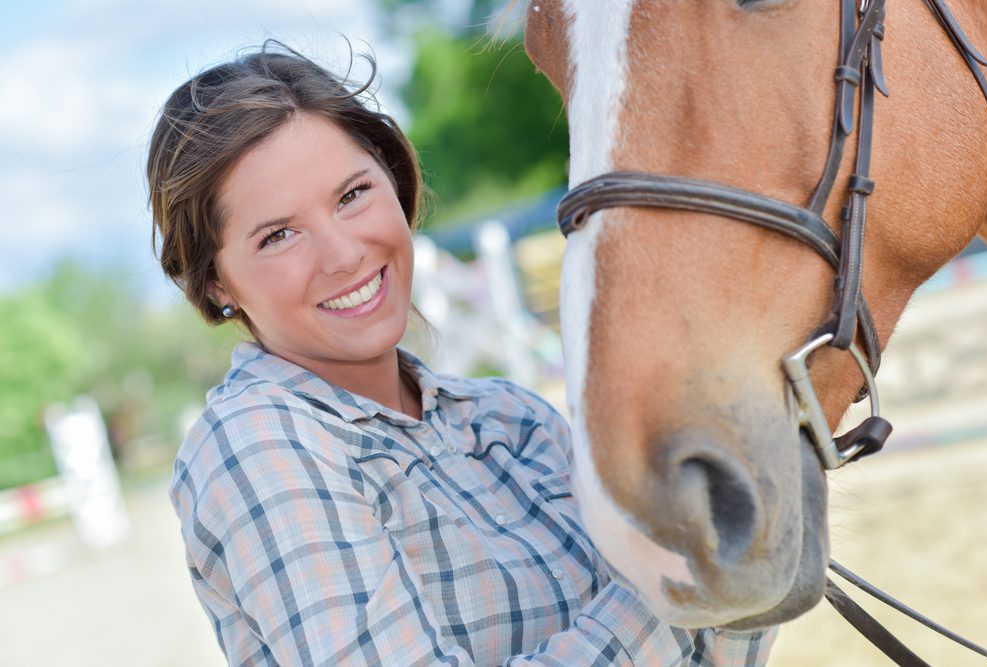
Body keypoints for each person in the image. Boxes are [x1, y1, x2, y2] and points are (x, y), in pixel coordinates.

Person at [148, 42, 777, 666]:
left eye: (351, 195)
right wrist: (683, 576)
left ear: (394, 183)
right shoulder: (258, 444)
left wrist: (749, 487)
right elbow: (701, 604)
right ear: (216, 283)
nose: (343, 254)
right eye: (278, 235)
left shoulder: (513, 419)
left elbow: (723, 646)